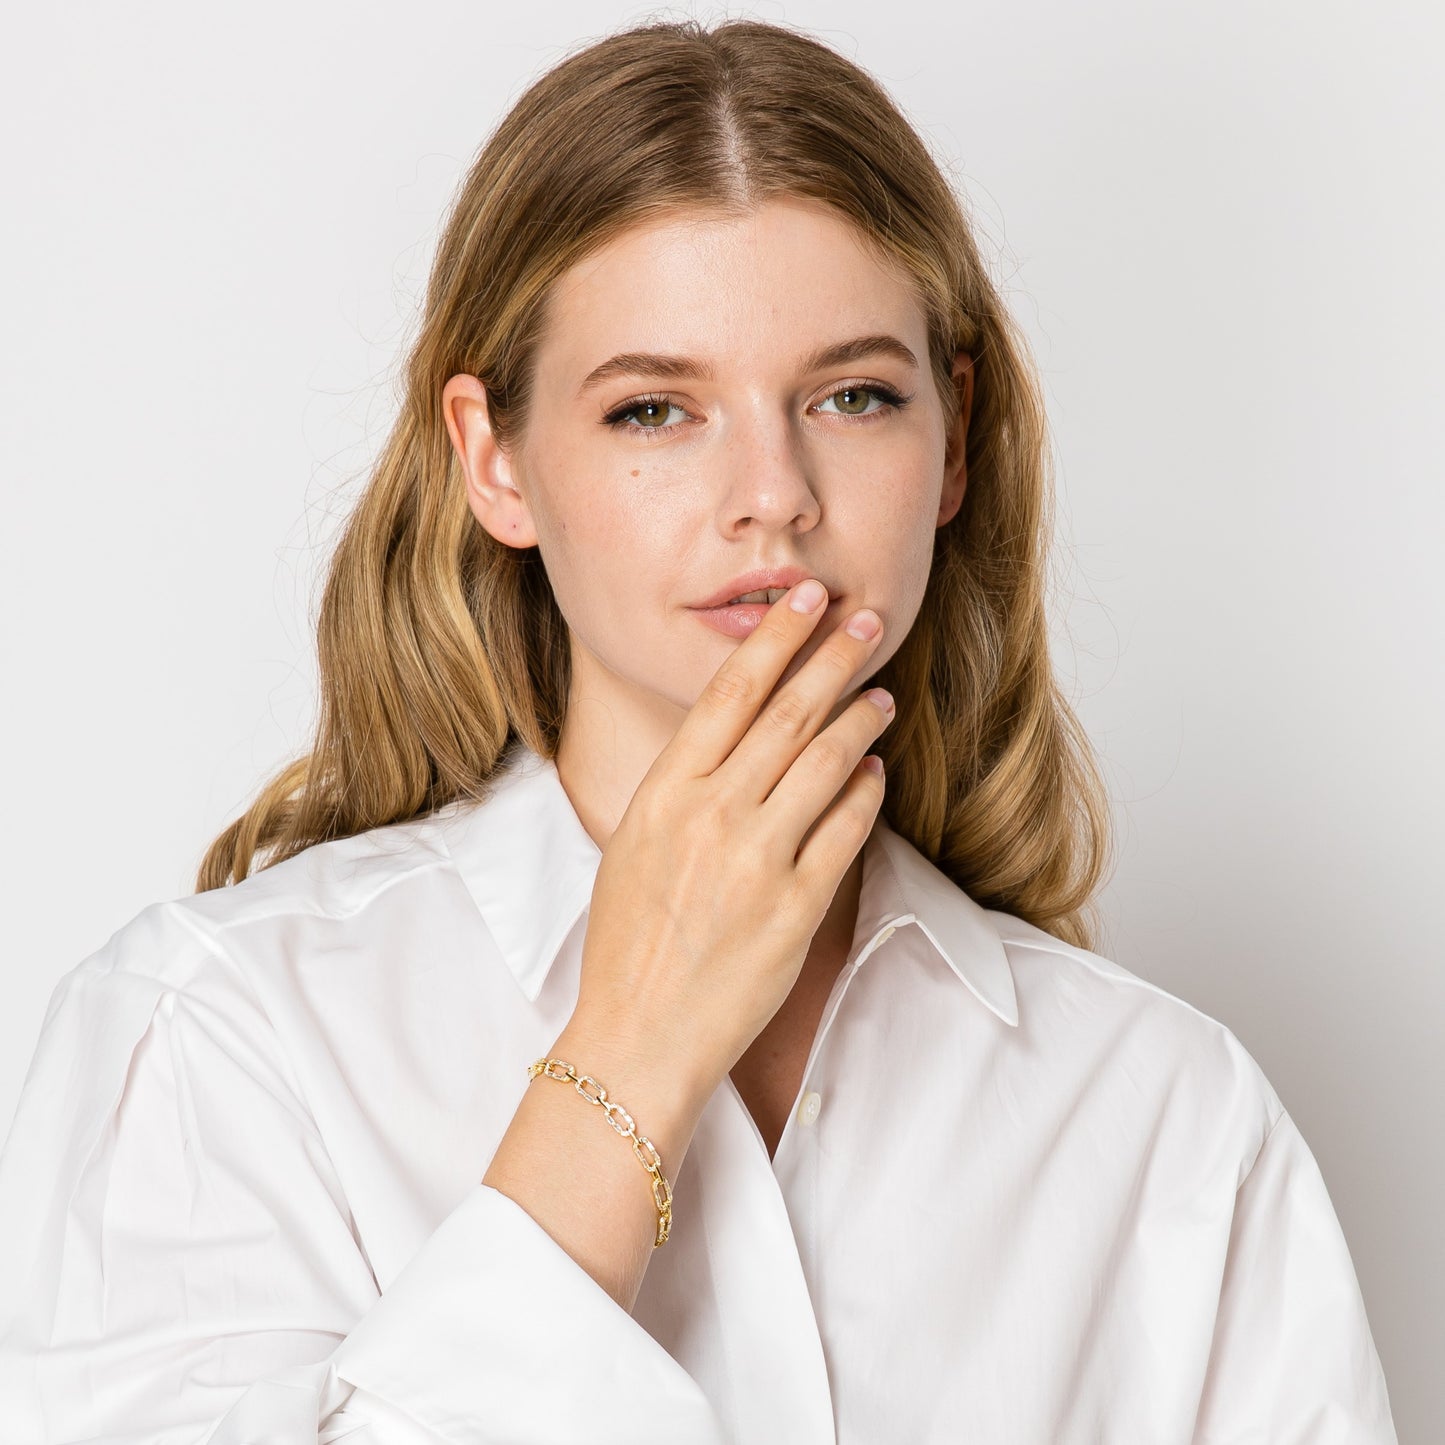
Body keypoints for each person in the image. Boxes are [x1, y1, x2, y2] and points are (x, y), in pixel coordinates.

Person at [0, 15, 1397, 1444]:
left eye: (853, 395)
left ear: (953, 438)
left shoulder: (1167, 1113)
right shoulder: (220, 1042)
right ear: (494, 461)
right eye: (654, 409)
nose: (773, 492)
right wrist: (632, 1055)